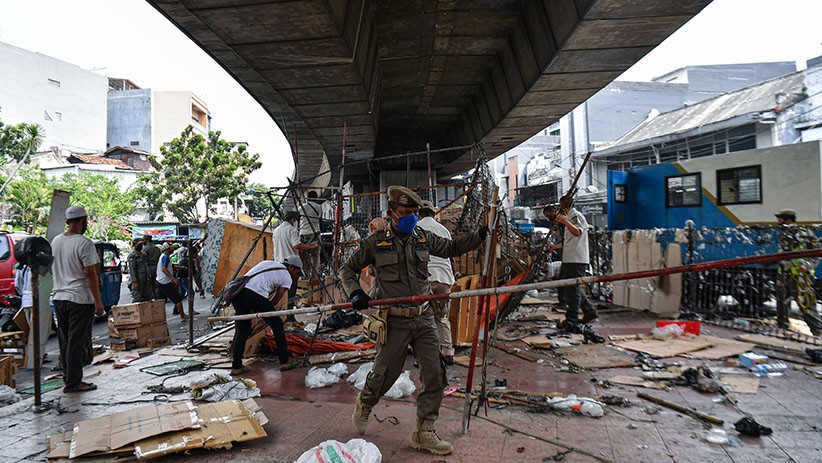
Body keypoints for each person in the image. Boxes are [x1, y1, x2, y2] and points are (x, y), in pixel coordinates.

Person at [340, 186, 487, 455]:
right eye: (405, 213)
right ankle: (365, 402)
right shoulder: (376, 242)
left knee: (435, 375)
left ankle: (424, 431)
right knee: (385, 374)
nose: (411, 218)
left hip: (424, 318)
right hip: (395, 321)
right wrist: (356, 292)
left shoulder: (422, 237)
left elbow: (452, 247)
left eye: (414, 213)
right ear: (392, 214)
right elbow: (347, 268)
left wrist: (479, 236)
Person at [51, 205, 103, 393]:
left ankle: (69, 378)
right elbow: (90, 273)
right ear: (83, 221)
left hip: (59, 298)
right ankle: (74, 383)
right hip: (79, 299)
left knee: (65, 341)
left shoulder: (55, 242)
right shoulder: (84, 243)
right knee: (76, 342)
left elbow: (50, 268)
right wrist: (98, 302)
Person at [230, 255, 304, 375]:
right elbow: (276, 299)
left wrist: (260, 306)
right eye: (296, 271)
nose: (296, 274)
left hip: (238, 293)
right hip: (255, 294)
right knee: (277, 324)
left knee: (243, 329)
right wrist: (265, 308)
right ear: (291, 267)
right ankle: (284, 361)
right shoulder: (287, 277)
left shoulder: (267, 263)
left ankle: (236, 366)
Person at [543, 202, 597, 329]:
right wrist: (555, 247)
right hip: (570, 258)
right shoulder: (568, 219)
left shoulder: (575, 216)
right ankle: (589, 311)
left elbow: (577, 232)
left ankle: (572, 319)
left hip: (576, 259)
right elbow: (569, 240)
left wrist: (565, 221)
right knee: (569, 287)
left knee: (573, 289)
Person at [416, 200, 456, 365]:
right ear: (433, 213)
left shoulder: (416, 228)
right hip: (445, 278)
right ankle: (447, 353)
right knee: (442, 316)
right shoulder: (444, 230)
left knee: (423, 318)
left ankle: (425, 356)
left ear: (419, 213)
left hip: (426, 278)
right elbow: (451, 254)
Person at [775, 208, 821, 335]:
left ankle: (818, 332)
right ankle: (782, 330)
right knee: (782, 305)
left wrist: (808, 266)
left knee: (807, 306)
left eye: (780, 221)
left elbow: (817, 254)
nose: (779, 224)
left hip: (801, 277)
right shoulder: (782, 236)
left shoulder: (807, 234)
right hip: (784, 275)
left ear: (788, 220)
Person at [274, 211, 318, 312]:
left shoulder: (276, 230)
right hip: (291, 264)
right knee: (291, 290)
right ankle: (289, 315)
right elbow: (296, 245)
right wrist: (310, 247)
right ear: (292, 220)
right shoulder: (291, 229)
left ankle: (283, 313)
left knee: (282, 290)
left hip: (279, 263)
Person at [156, 243, 192, 320]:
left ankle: (159, 317)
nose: (173, 250)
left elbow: (170, 266)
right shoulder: (165, 257)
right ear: (167, 249)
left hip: (160, 281)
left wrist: (180, 267)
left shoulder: (163, 256)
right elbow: (164, 268)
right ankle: (182, 315)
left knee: (161, 301)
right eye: (171, 249)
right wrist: (173, 278)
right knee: (178, 299)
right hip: (165, 281)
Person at [299, 190, 323, 277]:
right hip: (315, 232)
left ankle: (302, 274)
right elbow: (319, 218)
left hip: (303, 233)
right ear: (316, 198)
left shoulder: (301, 207)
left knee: (302, 255)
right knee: (315, 256)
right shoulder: (318, 207)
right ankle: (314, 276)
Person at [127, 238, 153, 302]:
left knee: (147, 298)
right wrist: (134, 281)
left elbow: (146, 266)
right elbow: (132, 270)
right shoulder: (132, 256)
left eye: (141, 244)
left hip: (145, 279)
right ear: (134, 245)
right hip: (138, 279)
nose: (141, 246)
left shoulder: (143, 255)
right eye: (139, 244)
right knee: (137, 298)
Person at [142, 235, 161, 299]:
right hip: (157, 267)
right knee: (157, 283)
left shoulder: (145, 249)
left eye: (144, 239)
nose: (143, 241)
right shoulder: (157, 248)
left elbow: (144, 260)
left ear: (147, 240)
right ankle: (158, 296)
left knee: (150, 284)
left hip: (149, 268)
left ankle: (153, 297)